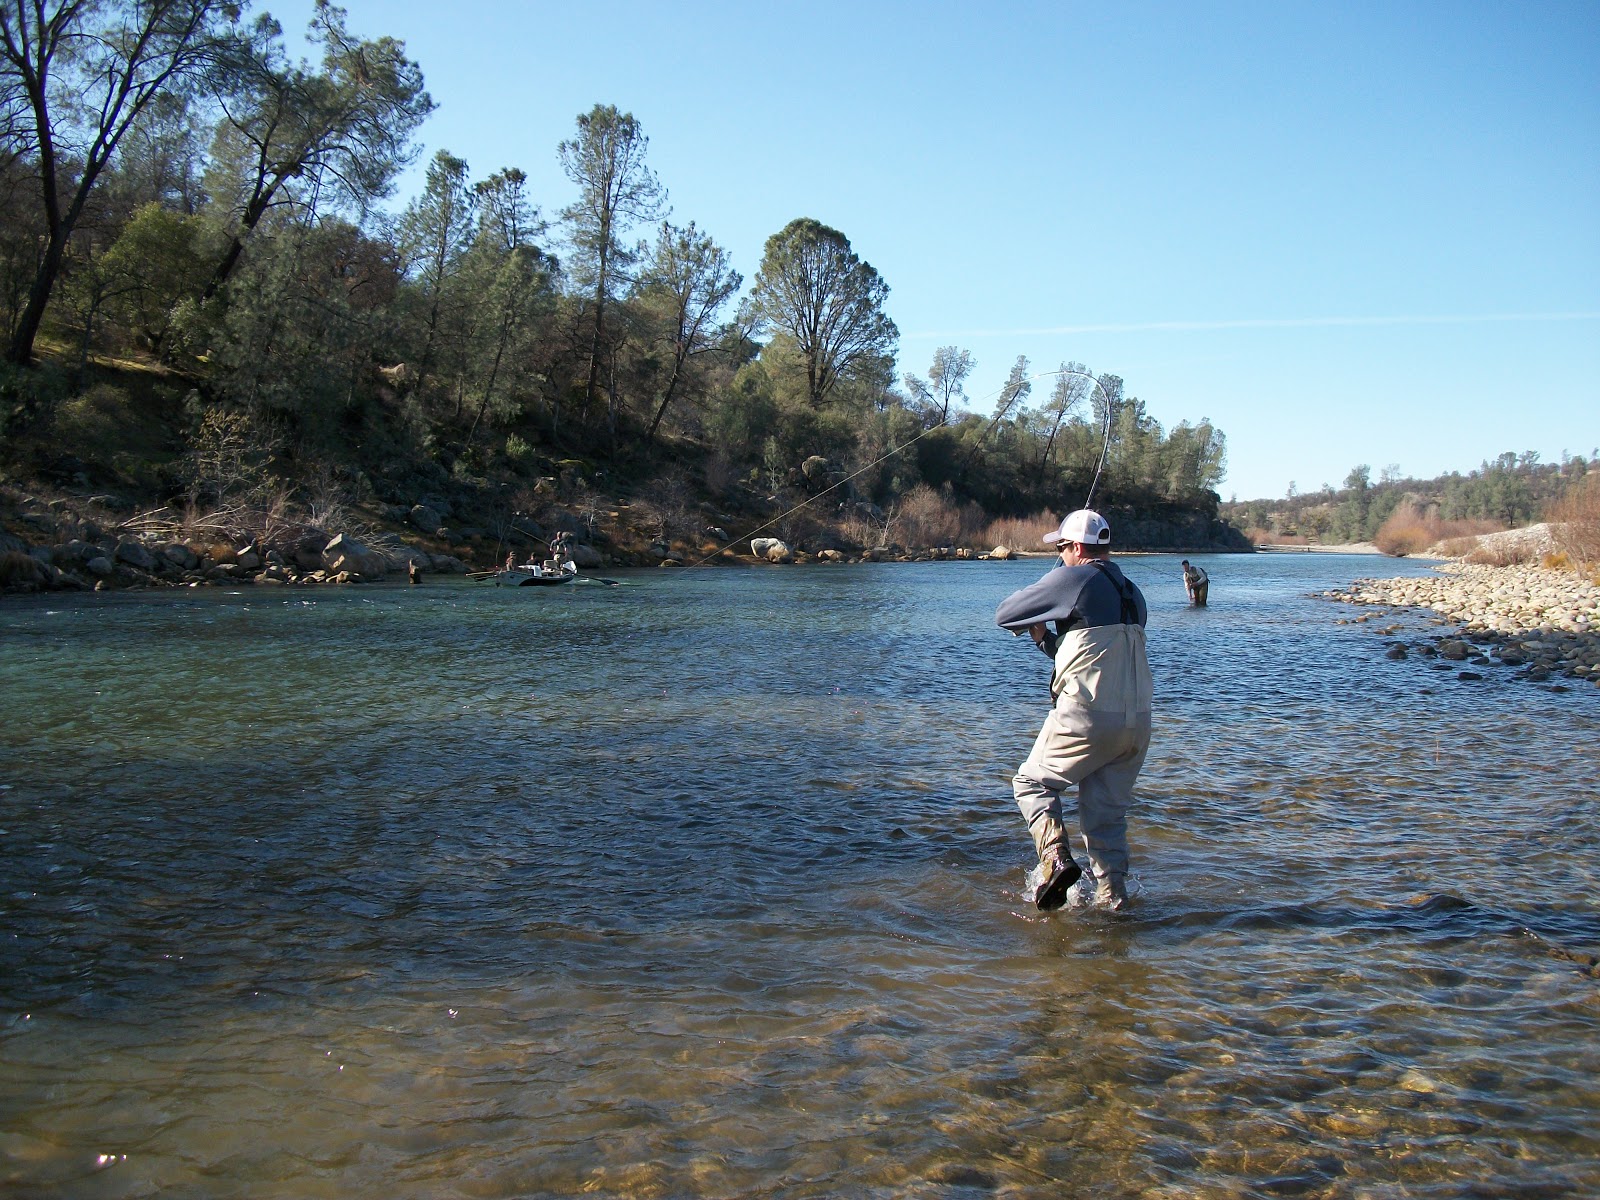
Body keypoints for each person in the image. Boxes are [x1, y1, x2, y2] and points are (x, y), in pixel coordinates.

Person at [995, 509, 1152, 911]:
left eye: (1062, 547)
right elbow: (1090, 652)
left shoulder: (1073, 577)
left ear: (1078, 547)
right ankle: (1114, 902)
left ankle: (1055, 861)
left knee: (1031, 783)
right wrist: (1044, 637)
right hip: (1135, 724)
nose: (1061, 554)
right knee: (1106, 819)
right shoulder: (1133, 593)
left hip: (1087, 714)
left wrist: (1049, 588)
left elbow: (1005, 613)